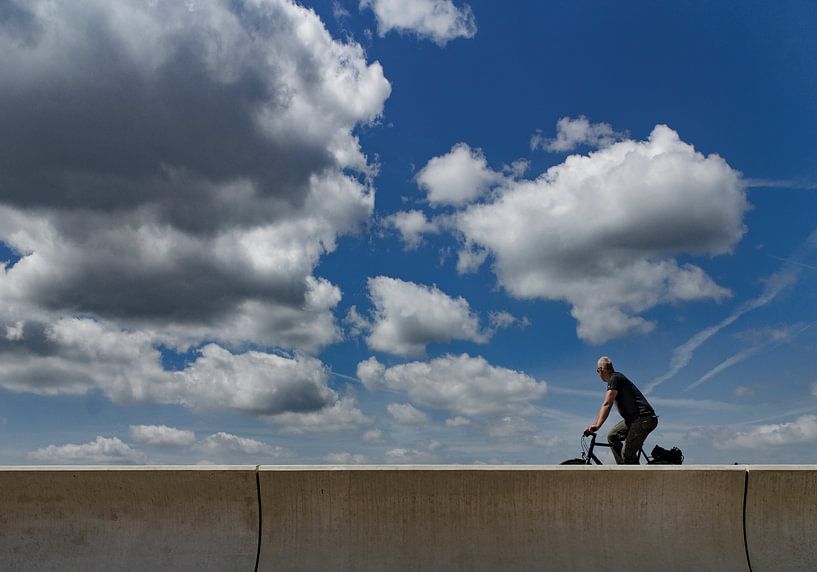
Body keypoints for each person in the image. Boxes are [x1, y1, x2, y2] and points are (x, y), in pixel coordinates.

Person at [584, 356, 658, 464]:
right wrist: (593, 425)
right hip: (634, 420)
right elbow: (604, 406)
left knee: (627, 454)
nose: (598, 374)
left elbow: (607, 404)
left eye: (597, 371)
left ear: (601, 369)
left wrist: (598, 426)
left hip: (644, 419)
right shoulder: (615, 378)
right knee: (612, 437)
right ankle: (622, 469)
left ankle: (635, 479)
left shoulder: (615, 378)